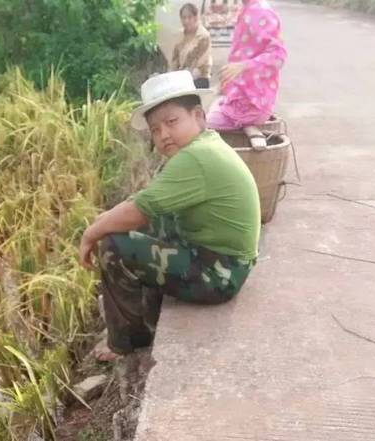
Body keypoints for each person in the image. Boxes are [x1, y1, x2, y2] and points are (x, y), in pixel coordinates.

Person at [79, 71, 260, 357]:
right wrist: (102, 220)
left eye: (172, 122)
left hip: (220, 274)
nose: (163, 134)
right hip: (224, 259)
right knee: (150, 218)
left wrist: (92, 232)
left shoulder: (195, 158)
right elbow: (144, 200)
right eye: (155, 129)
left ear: (198, 116)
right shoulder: (203, 147)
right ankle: (144, 310)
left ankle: (128, 341)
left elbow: (139, 210)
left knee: (112, 245)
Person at [206, 0, 287, 130]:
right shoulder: (246, 8)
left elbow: (278, 56)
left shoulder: (261, 12)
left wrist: (244, 66)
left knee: (200, 127)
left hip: (251, 106)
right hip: (240, 99)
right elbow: (243, 53)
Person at [171, 3, 213, 89]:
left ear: (196, 17)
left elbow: (197, 65)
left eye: (189, 17)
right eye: (184, 18)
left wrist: (181, 77)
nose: (186, 21)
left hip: (199, 79)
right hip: (182, 78)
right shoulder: (179, 35)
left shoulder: (203, 36)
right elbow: (175, 60)